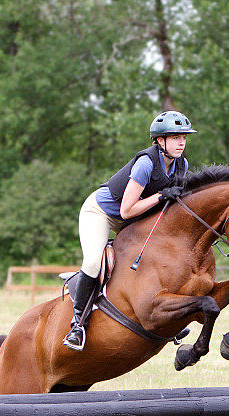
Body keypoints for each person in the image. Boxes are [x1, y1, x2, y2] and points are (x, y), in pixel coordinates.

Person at [63, 110, 197, 351]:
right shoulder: (146, 163)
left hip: (132, 218)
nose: (181, 142)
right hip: (102, 213)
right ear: (159, 140)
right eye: (175, 137)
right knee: (94, 263)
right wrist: (159, 196)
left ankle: (167, 316)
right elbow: (126, 210)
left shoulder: (181, 165)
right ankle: (77, 324)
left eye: (184, 138)